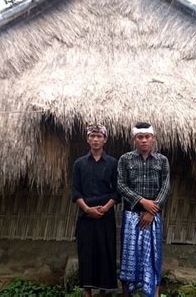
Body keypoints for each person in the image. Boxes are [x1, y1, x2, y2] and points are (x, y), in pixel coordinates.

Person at [117, 122, 170, 297]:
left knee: (153, 256)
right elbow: (121, 185)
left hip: (153, 217)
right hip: (131, 215)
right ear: (134, 139)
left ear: (153, 139)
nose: (144, 140)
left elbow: (165, 187)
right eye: (140, 137)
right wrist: (141, 201)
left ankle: (153, 294)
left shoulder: (162, 161)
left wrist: (150, 210)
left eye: (147, 137)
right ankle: (127, 293)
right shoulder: (125, 159)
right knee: (129, 257)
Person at [72, 124, 119, 296]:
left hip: (106, 216)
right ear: (87, 138)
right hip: (85, 216)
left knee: (105, 252)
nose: (95, 139)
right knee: (86, 253)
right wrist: (87, 209)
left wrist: (105, 208)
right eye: (92, 136)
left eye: (99, 136)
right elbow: (76, 191)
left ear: (105, 139)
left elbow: (117, 191)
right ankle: (87, 292)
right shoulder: (79, 164)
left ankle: (104, 292)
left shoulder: (113, 163)